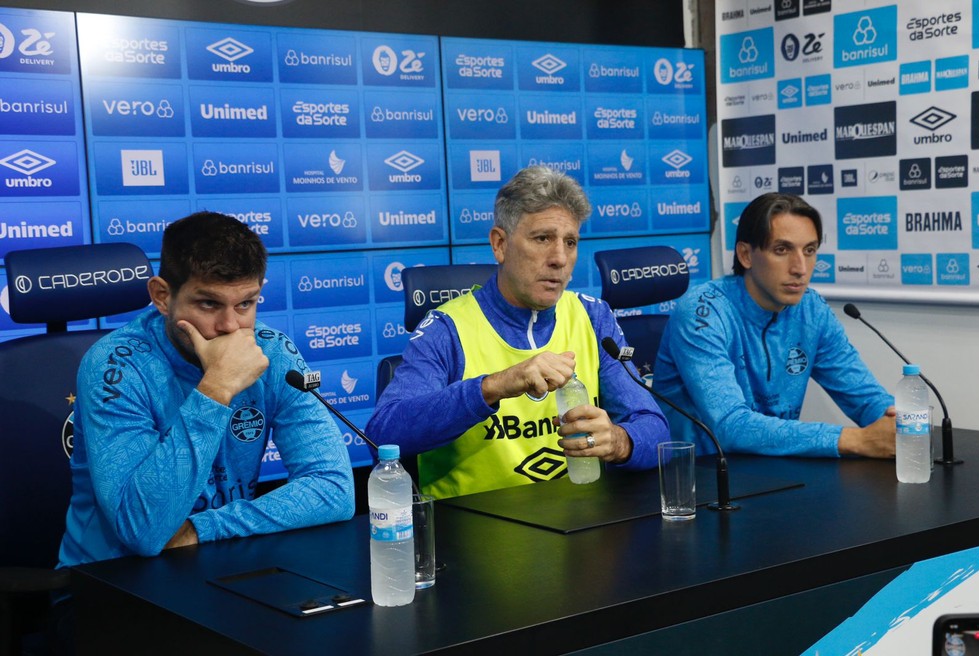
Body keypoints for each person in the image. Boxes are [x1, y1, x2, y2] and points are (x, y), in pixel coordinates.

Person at [58, 212, 355, 567]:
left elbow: (334, 489)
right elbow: (143, 531)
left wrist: (202, 530)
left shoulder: (273, 354)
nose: (231, 326)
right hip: (111, 581)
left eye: (246, 303)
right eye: (209, 304)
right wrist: (216, 388)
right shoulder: (114, 367)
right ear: (162, 296)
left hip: (216, 559)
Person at [366, 166, 670, 499]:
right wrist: (493, 386)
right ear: (500, 244)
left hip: (583, 528)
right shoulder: (447, 329)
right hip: (473, 536)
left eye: (570, 242)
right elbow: (383, 435)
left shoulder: (593, 316)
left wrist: (617, 441)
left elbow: (656, 431)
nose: (559, 258)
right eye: (543, 239)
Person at [652, 193, 895, 458]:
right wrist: (854, 440)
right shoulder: (703, 313)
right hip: (699, 477)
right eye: (782, 250)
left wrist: (899, 422)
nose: (800, 268)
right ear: (746, 255)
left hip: (772, 472)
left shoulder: (811, 310)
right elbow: (730, 427)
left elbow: (866, 399)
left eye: (810, 250)